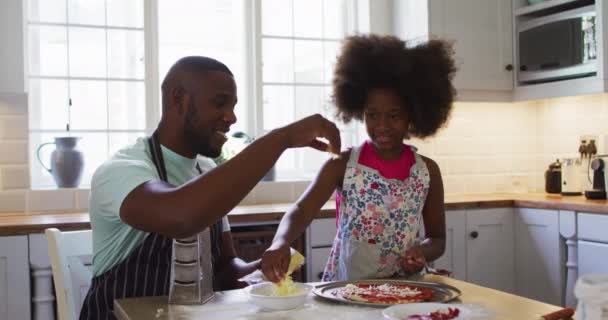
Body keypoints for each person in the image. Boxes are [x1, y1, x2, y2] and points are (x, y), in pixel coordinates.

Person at [80, 56, 341, 319]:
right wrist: (282, 138)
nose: (231, 117)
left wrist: (264, 269)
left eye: (233, 105)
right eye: (220, 103)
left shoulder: (205, 169)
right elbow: (180, 217)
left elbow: (226, 271)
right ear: (178, 98)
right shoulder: (122, 169)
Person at [260, 35, 456, 282]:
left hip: (405, 289)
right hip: (347, 287)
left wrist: (421, 253)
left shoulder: (427, 171)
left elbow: (437, 240)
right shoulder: (342, 165)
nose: (381, 125)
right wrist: (280, 242)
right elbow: (301, 210)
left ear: (412, 115)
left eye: (394, 115)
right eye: (372, 115)